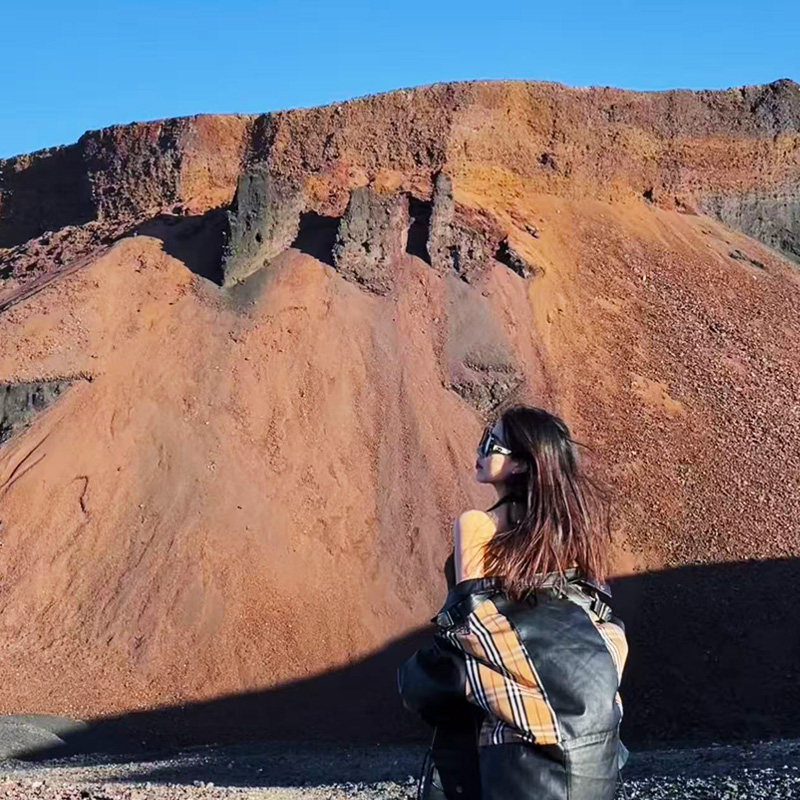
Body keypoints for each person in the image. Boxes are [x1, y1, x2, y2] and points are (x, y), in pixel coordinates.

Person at [397, 404, 629, 800]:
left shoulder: (477, 526)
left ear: (521, 465)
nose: (481, 450)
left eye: (493, 444)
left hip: (513, 707)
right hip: (588, 723)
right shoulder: (568, 533)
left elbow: (472, 621)